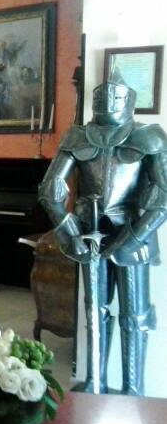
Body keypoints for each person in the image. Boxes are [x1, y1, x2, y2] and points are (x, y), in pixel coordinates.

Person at [38, 80, 167, 395]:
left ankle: (133, 389)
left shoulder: (148, 136)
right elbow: (50, 189)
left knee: (134, 315)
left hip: (132, 230)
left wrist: (133, 238)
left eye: (116, 96)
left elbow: (164, 194)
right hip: (89, 231)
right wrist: (70, 232)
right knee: (94, 310)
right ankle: (95, 381)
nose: (109, 100)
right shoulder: (78, 136)